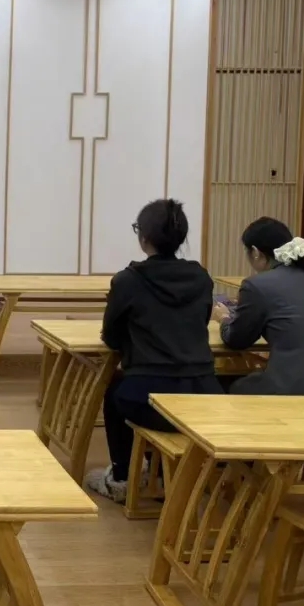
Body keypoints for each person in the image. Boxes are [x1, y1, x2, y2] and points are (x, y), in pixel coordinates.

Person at [84, 199, 222, 504]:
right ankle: (159, 474)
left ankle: (122, 478)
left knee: (116, 390)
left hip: (149, 399)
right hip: (204, 396)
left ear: (143, 237)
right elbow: (200, 322)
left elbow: (111, 336)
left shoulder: (128, 280)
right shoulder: (201, 277)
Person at [213, 218, 304, 395]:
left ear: (255, 252)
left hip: (292, 391)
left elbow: (236, 339)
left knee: (232, 385)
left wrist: (224, 317)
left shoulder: (258, 285)